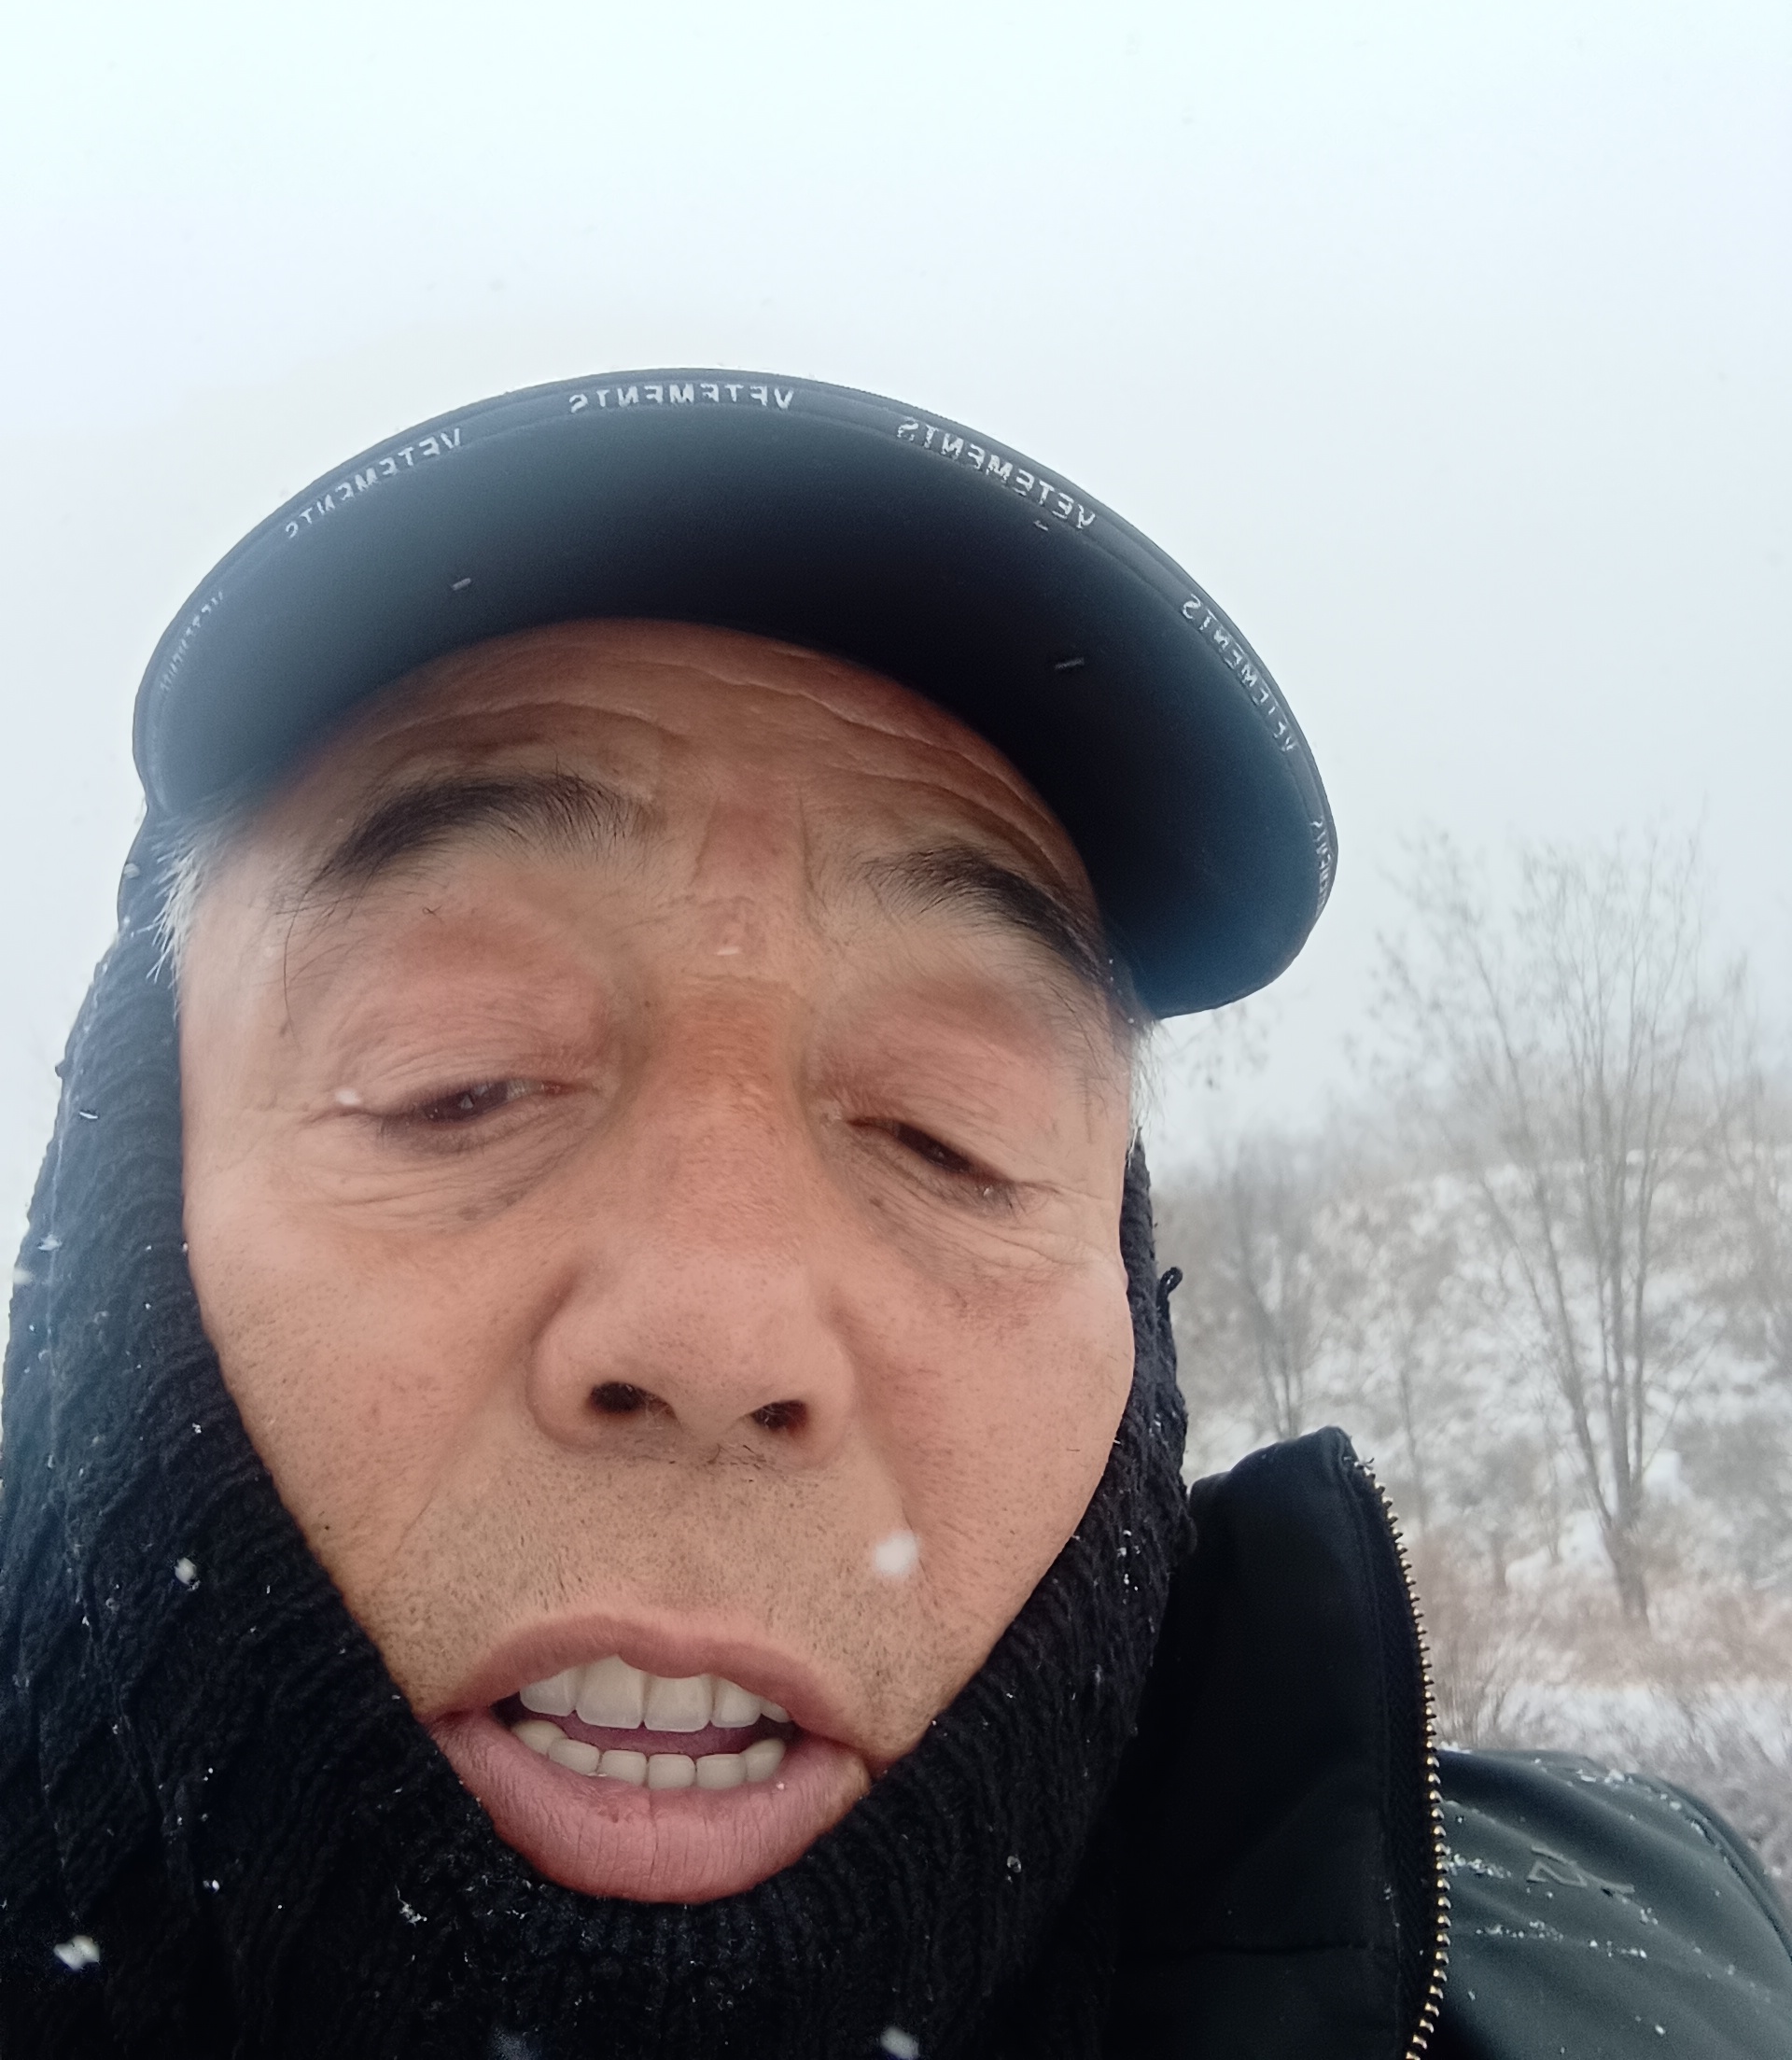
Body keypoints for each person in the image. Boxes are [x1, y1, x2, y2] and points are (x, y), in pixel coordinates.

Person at [2, 371, 1786, 2060]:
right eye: (454, 1080)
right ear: (124, 1210)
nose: (718, 1330)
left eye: (950, 1133)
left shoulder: (1667, 1977)